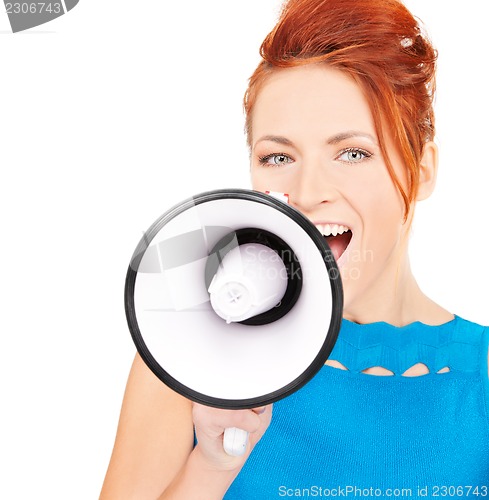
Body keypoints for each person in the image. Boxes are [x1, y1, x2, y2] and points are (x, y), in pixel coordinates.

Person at [100, 0, 489, 498]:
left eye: (352, 152)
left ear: (424, 170)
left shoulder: (478, 374)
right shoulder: (185, 355)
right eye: (278, 156)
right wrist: (213, 464)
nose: (306, 191)